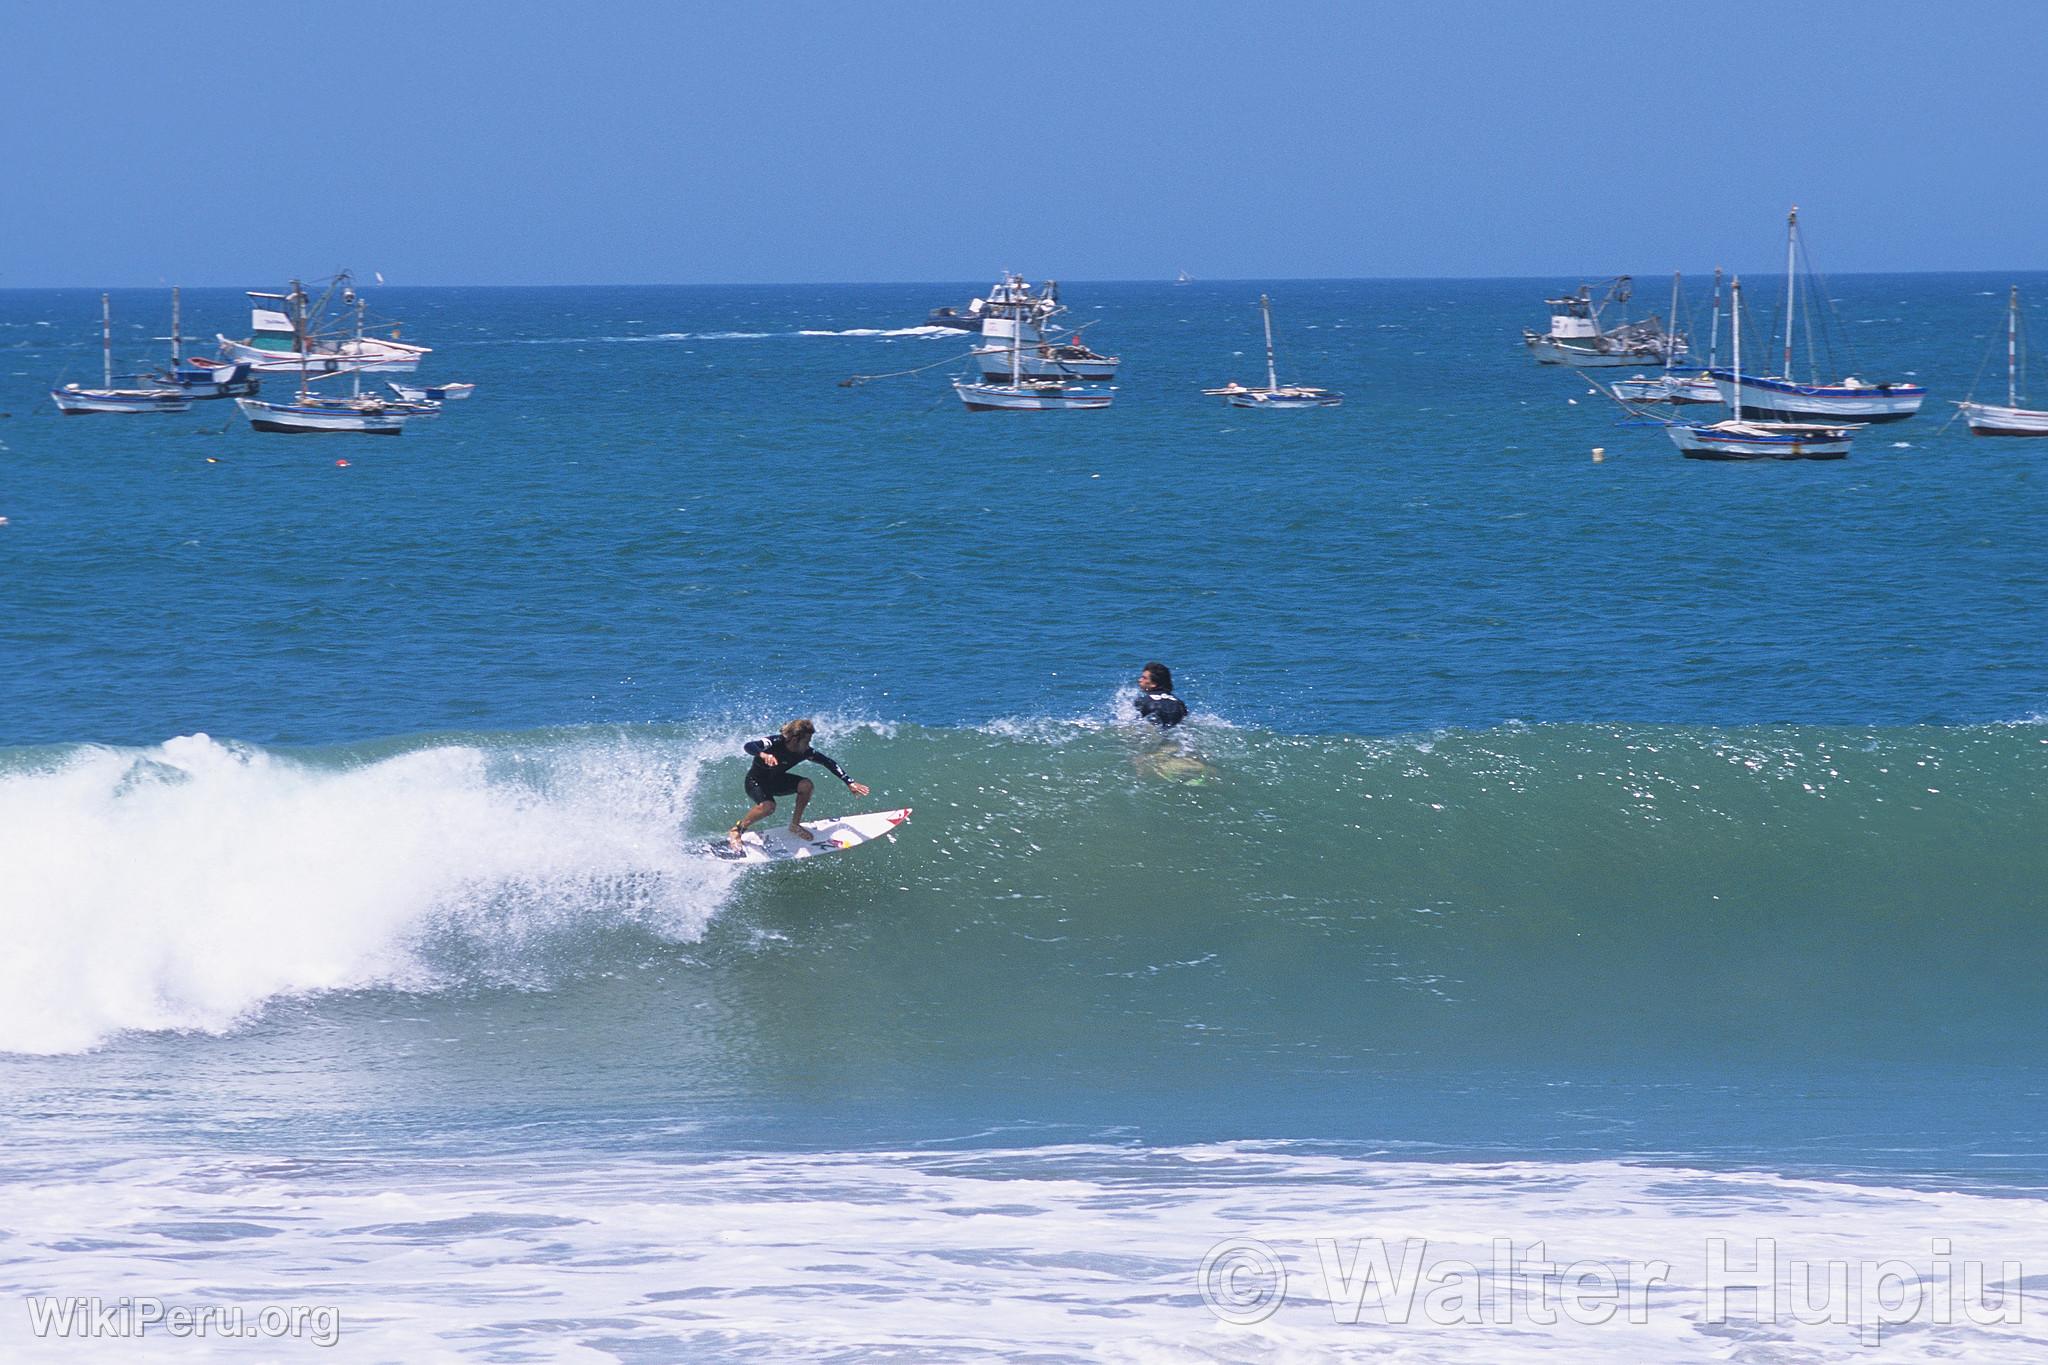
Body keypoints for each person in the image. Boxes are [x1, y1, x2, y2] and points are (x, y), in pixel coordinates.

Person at [729, 718, 870, 851]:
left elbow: (828, 762)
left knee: (806, 785)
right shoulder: (775, 742)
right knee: (768, 806)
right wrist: (763, 754)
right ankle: (737, 830)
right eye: (807, 740)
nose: (809, 744)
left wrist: (849, 782)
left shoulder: (804, 752)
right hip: (755, 782)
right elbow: (749, 746)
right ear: (796, 739)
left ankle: (795, 825)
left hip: (776, 781)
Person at [1132, 662, 1189, 728]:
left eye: (1144, 678)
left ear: (1154, 684)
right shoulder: (1179, 703)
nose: (1139, 680)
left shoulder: (1142, 701)